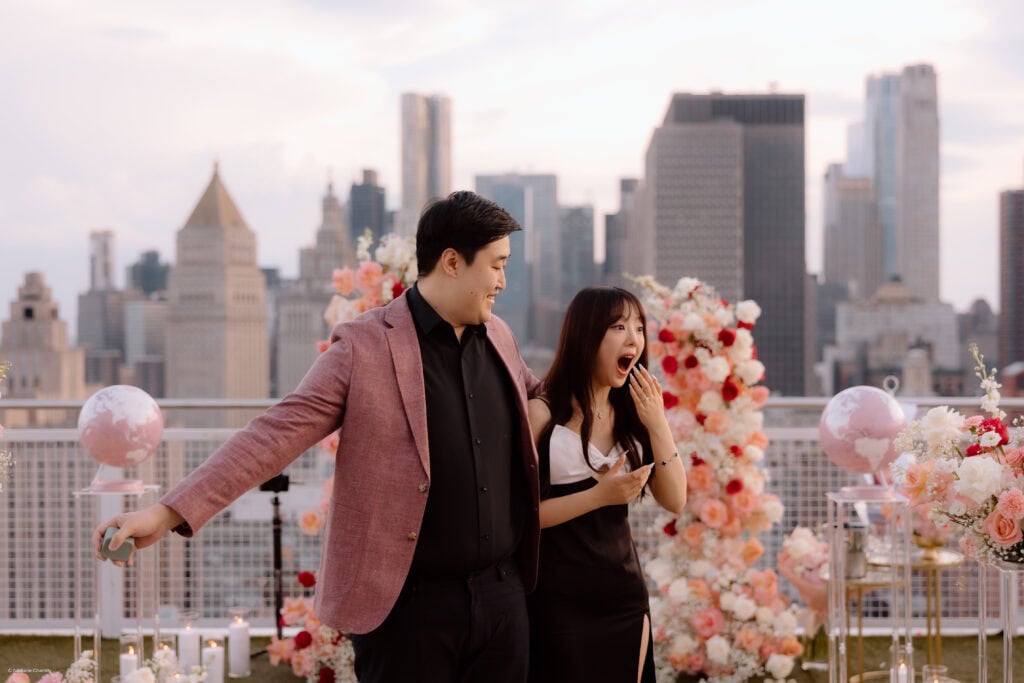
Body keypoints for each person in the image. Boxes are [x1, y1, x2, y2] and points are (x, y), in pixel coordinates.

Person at [93, 191, 544, 683]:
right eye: (497, 265)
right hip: (408, 609)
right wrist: (167, 510)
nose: (502, 281)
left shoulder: (499, 334)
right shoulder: (363, 345)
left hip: (504, 599)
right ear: (453, 262)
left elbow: (544, 400)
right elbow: (273, 434)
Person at [526, 286, 687, 683]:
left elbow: (676, 500)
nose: (633, 338)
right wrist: (599, 497)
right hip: (556, 604)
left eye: (638, 327)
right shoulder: (542, 414)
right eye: (618, 326)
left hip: (625, 599)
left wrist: (658, 423)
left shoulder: (635, 418)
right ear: (586, 335)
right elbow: (518, 518)